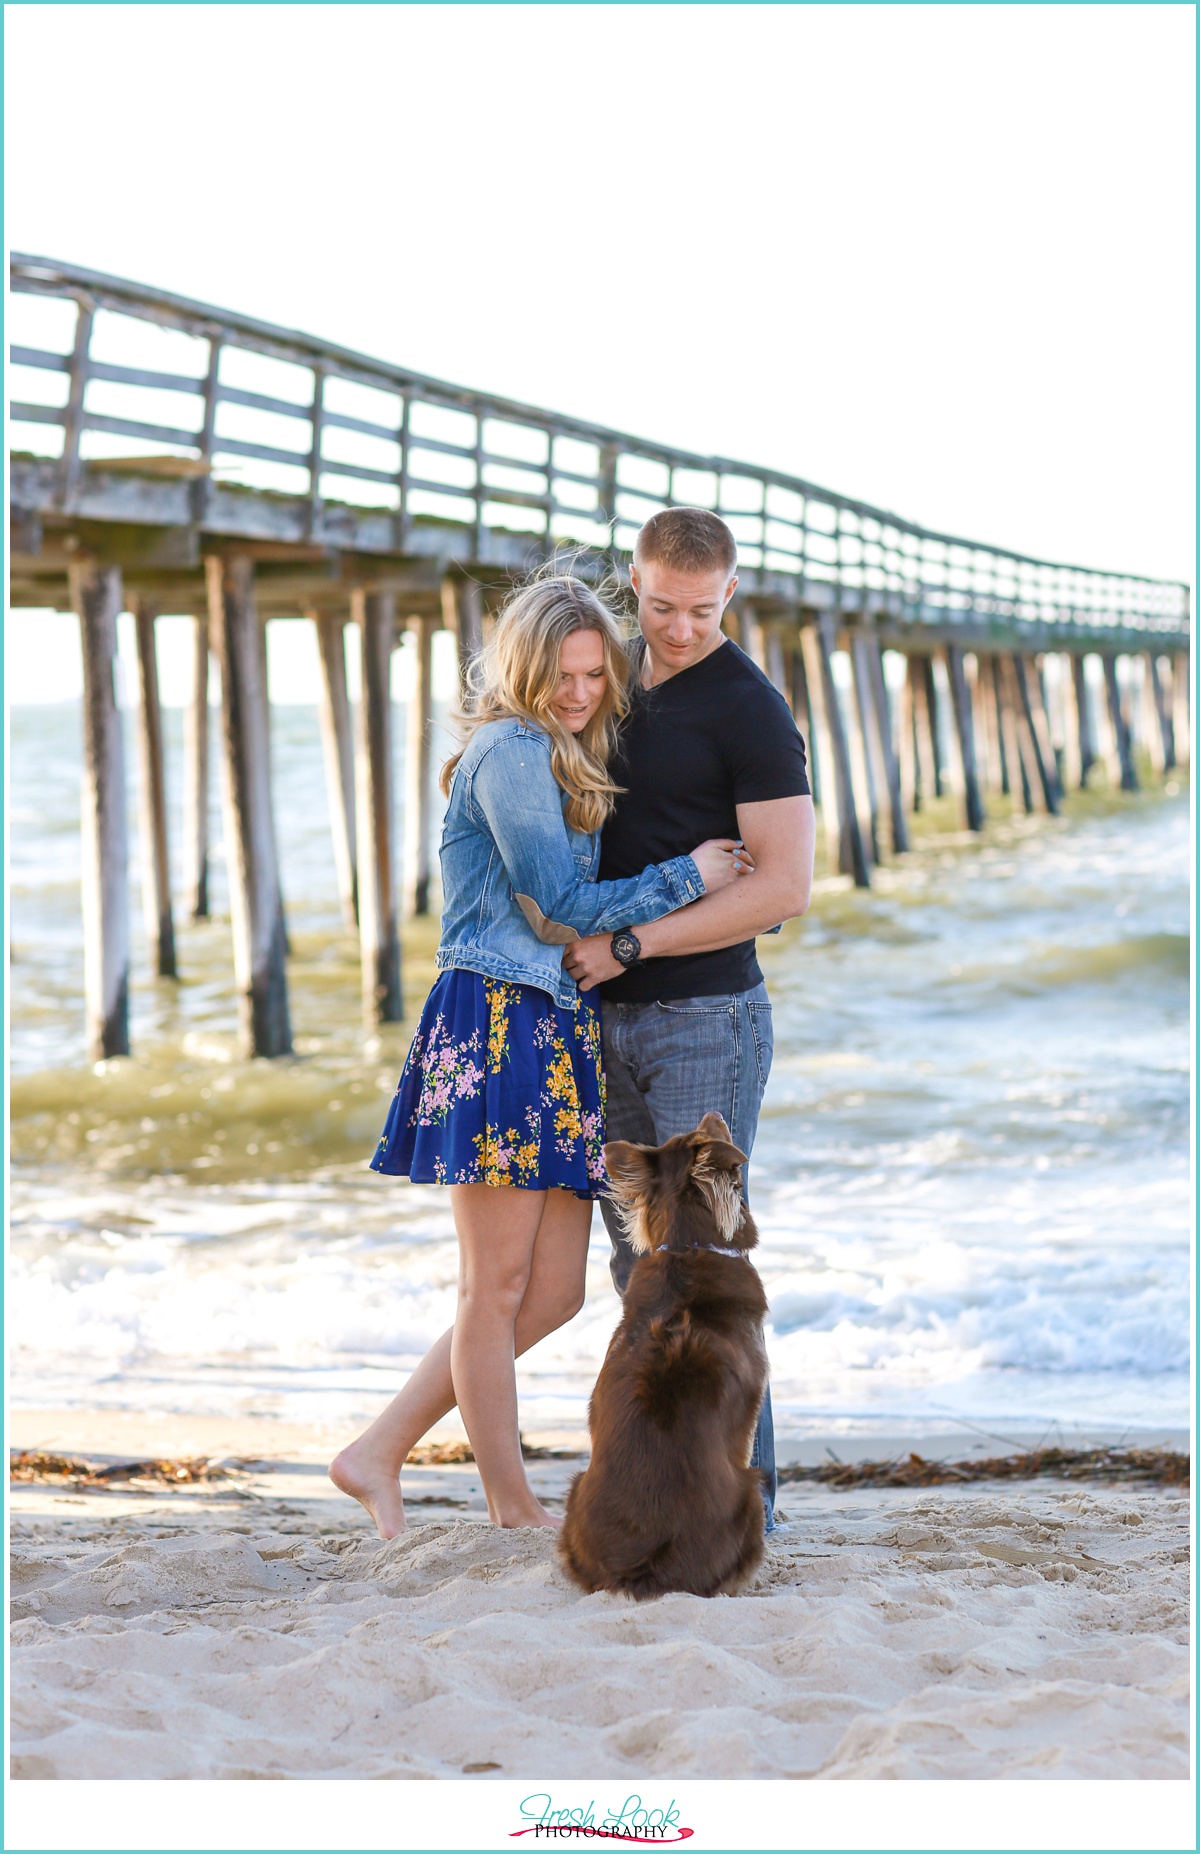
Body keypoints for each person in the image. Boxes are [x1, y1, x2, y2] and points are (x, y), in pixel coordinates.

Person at [330, 570, 749, 1538]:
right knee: (495, 1289)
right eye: (562, 674)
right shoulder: (514, 751)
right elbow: (560, 909)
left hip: (553, 1029)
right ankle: (511, 1511)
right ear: (523, 667)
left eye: (595, 675)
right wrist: (686, 877)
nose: (578, 693)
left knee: (553, 1291)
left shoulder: (558, 751)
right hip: (495, 1022)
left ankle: (377, 1450)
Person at [563, 508, 817, 1531]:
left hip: (705, 1015)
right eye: (661, 606)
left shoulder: (750, 710)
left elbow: (785, 887)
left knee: (703, 1267)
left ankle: (746, 1499)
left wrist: (632, 945)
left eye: (700, 611)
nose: (677, 628)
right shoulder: (607, 678)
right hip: (596, 1019)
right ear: (634, 582)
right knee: (636, 1272)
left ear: (732, 595)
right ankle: (665, 1483)